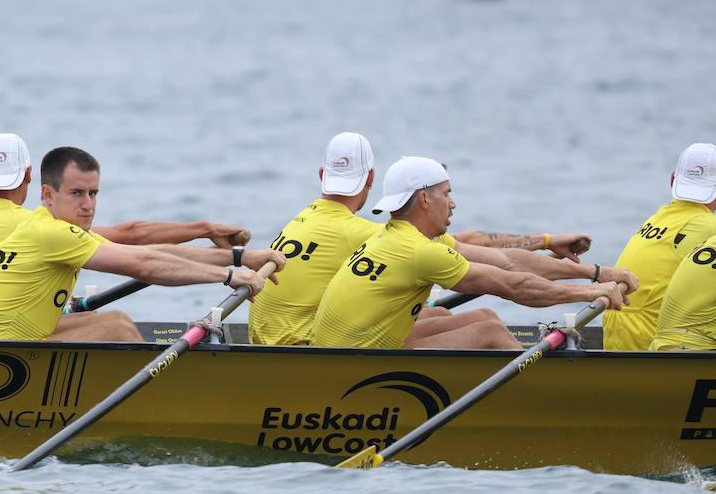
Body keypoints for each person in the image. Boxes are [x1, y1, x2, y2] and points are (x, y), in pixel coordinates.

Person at [250, 132, 600, 346]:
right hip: (305, 346)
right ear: (371, 177)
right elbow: (468, 249)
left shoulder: (303, 218)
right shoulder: (364, 234)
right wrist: (556, 249)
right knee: (485, 329)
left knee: (443, 319)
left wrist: (546, 242)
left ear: (322, 175)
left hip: (281, 339)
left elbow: (456, 247)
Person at [0, 133, 254, 337]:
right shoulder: (37, 226)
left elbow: (146, 254)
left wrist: (239, 258)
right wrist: (226, 270)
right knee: (116, 329)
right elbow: (139, 252)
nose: (88, 205)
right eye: (77, 194)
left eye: (94, 194)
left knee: (104, 320)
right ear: (38, 185)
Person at [310, 156, 634, 350]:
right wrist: (590, 293)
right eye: (446, 194)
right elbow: (513, 286)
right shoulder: (421, 252)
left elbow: (508, 262)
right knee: (488, 332)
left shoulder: (400, 236)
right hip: (349, 363)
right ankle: (545, 403)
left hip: (353, 348)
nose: (453, 203)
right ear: (424, 199)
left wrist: (595, 273)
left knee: (484, 316)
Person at [604, 143, 716, 351]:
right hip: (649, 341)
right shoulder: (711, 228)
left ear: (673, 179)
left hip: (614, 335)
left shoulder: (656, 218)